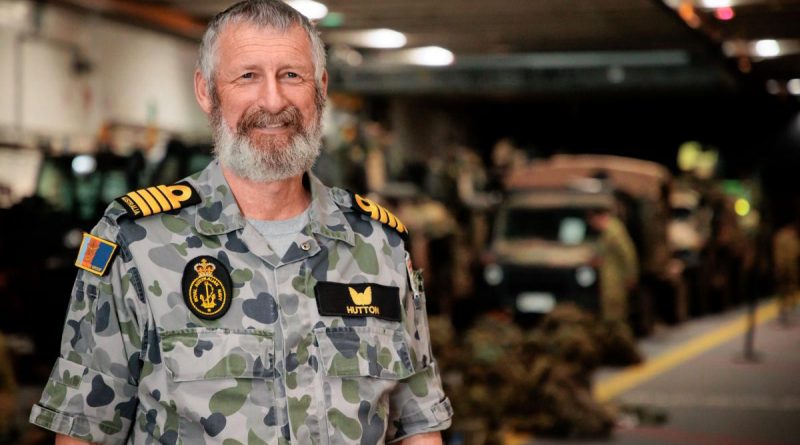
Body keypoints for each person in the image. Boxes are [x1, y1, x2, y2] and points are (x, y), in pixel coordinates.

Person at [29, 2, 452, 444]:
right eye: (248, 76)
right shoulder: (135, 243)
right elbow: (85, 432)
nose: (273, 100)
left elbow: (418, 427)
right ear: (207, 91)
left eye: (292, 75)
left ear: (321, 88)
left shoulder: (379, 245)